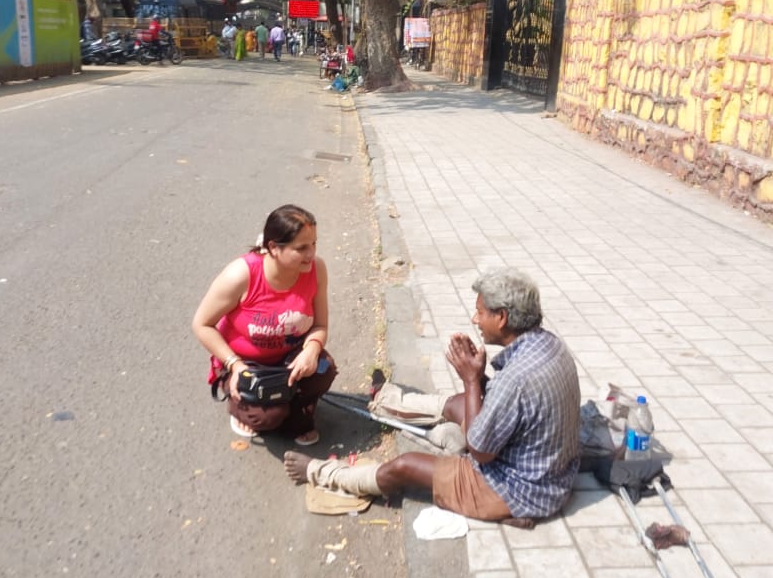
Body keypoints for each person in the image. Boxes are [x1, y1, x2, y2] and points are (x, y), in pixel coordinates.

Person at [284, 269, 580, 525]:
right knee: (456, 404)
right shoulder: (550, 345)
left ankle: (322, 472)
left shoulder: (515, 380)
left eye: (480, 312)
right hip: (545, 472)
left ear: (501, 317)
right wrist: (475, 382)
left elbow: (479, 451)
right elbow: (512, 405)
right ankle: (386, 399)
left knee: (406, 465)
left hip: (520, 492)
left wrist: (471, 379)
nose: (475, 319)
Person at [192, 204, 337, 445]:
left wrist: (311, 351)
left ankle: (294, 405)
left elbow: (320, 325)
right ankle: (244, 402)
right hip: (243, 362)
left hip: (289, 358)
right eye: (301, 248)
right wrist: (235, 365)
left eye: (314, 244)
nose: (311, 254)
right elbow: (201, 324)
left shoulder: (317, 270)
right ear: (273, 248)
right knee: (266, 419)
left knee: (324, 369)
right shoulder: (242, 275)